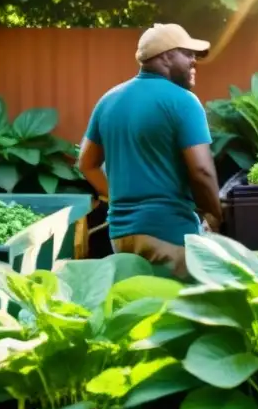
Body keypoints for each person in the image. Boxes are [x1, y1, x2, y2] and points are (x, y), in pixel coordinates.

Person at [77, 24, 222, 278]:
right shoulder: (183, 101)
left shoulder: (109, 100)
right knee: (174, 313)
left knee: (137, 309)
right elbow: (201, 170)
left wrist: (123, 200)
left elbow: (87, 164)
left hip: (121, 236)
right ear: (166, 56)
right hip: (169, 233)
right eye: (187, 54)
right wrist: (217, 216)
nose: (193, 62)